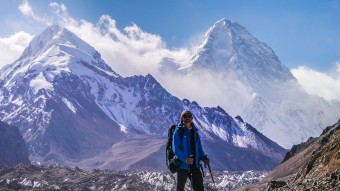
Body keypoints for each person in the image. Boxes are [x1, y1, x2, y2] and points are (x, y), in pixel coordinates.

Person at [172, 110, 210, 191]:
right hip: (182, 165)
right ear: (182, 118)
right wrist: (186, 159)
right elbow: (176, 149)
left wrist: (204, 158)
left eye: (189, 116)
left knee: (199, 188)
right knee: (180, 189)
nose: (188, 118)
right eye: (185, 116)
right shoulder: (178, 132)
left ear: (192, 118)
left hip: (195, 165)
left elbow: (199, 148)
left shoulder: (195, 132)